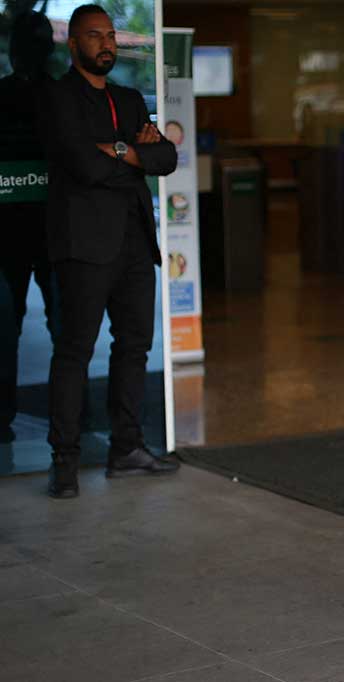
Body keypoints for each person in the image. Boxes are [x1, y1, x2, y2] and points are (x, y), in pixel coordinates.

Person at [43, 4, 179, 499]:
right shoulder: (59, 98)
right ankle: (65, 462)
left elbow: (166, 158)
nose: (106, 44)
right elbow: (82, 164)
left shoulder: (128, 98)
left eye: (110, 36)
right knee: (75, 351)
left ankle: (127, 449)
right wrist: (133, 155)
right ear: (74, 43)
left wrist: (118, 149)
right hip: (83, 244)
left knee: (134, 347)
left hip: (135, 242)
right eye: (94, 35)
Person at [0, 11, 61, 442]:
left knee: (64, 328)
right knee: (8, 328)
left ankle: (69, 414)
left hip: (51, 229)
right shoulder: (56, 97)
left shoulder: (60, 97)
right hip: (15, 231)